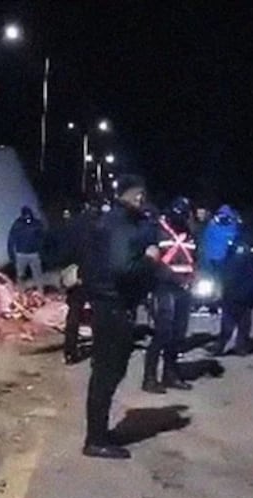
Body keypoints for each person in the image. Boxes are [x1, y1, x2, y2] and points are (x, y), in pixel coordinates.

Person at [82, 175, 157, 460]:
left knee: (108, 371)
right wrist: (149, 258)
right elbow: (123, 267)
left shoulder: (111, 221)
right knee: (107, 372)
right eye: (141, 196)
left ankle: (98, 432)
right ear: (135, 195)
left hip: (107, 303)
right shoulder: (121, 224)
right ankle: (96, 439)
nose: (143, 201)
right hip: (113, 306)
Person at [142, 197, 196, 393]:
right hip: (164, 286)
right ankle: (149, 378)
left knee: (178, 335)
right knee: (162, 334)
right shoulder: (157, 230)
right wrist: (170, 277)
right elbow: (152, 260)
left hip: (184, 288)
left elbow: (193, 258)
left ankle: (170, 374)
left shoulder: (189, 233)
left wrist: (193, 277)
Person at [208, 216, 253, 356]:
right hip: (247, 286)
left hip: (236, 285)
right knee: (244, 317)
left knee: (230, 317)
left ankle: (222, 346)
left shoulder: (238, 241)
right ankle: (241, 346)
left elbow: (228, 263)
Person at [61, 204, 97, 364]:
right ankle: (98, 352)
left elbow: (63, 251)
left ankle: (70, 351)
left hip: (75, 274)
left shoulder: (70, 228)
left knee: (74, 313)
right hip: (93, 275)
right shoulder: (99, 227)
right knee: (97, 313)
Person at [7, 206, 46, 286]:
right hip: (21, 254)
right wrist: (12, 255)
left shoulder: (36, 224)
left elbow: (42, 238)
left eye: (29, 215)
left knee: (38, 276)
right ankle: (20, 293)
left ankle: (40, 292)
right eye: (26, 215)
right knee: (20, 276)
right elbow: (11, 239)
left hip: (34, 254)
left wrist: (42, 252)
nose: (27, 217)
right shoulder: (17, 224)